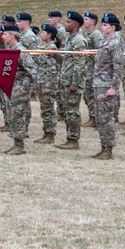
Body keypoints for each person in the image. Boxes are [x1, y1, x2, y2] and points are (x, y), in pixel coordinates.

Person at [87, 13, 124, 159]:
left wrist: (113, 88)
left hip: (107, 84)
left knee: (106, 118)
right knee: (100, 118)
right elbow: (101, 61)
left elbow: (118, 67)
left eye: (105, 25)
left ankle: (108, 149)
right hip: (98, 83)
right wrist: (89, 54)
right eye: (102, 24)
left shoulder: (115, 43)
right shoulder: (104, 41)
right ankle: (103, 147)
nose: (102, 27)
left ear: (113, 27)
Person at [0, 25, 37, 154]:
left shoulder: (21, 51)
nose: (2, 37)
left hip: (19, 88)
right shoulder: (11, 49)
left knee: (17, 116)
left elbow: (32, 71)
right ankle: (16, 143)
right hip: (11, 88)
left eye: (4, 34)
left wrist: (24, 88)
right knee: (12, 116)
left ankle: (19, 145)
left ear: (12, 35)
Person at [55, 12, 89, 150]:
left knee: (72, 112)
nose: (65, 24)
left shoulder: (79, 40)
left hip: (72, 82)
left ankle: (74, 140)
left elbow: (80, 64)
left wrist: (75, 83)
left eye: (68, 22)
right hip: (66, 80)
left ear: (75, 24)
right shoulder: (71, 38)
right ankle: (69, 138)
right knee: (68, 111)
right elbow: (67, 60)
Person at [33, 24, 60, 144]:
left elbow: (52, 69)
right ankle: (46, 132)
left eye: (43, 32)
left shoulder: (51, 48)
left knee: (48, 109)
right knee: (45, 109)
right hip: (41, 81)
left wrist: (49, 85)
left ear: (49, 35)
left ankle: (50, 134)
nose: (41, 34)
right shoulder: (46, 46)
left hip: (47, 83)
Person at [81, 12, 105, 128]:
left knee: (91, 94)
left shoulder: (96, 35)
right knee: (87, 94)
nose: (84, 21)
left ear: (92, 22)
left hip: (93, 70)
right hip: (87, 69)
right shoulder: (87, 34)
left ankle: (95, 117)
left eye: (86, 19)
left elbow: (101, 53)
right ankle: (92, 116)